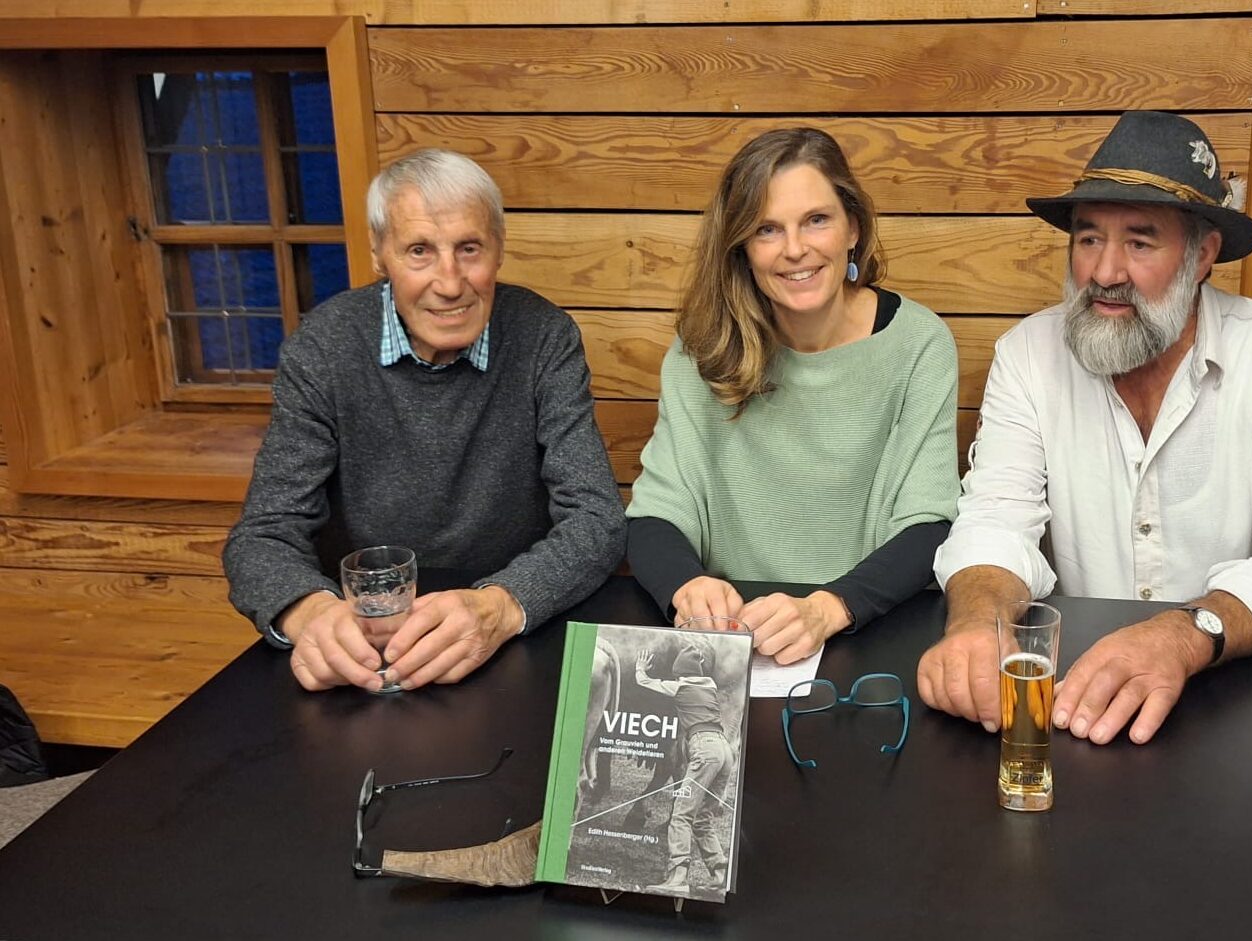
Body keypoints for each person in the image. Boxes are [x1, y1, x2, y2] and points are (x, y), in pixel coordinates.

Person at [915, 111, 1252, 928]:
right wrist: (976, 619)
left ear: (1203, 253)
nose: (1104, 271)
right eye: (1087, 238)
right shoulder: (1028, 353)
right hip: (1085, 675)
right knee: (1000, 877)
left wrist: (1186, 631)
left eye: (1141, 241)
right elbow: (994, 520)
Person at [224, 149, 625, 693]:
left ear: (499, 250)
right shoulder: (322, 347)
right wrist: (311, 613)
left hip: (506, 639)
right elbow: (262, 535)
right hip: (368, 650)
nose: (450, 281)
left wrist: (500, 607)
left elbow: (597, 520)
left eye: (469, 248)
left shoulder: (543, 337)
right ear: (379, 253)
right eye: (419, 251)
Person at [625, 128, 961, 664]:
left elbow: (929, 524)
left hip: (870, 628)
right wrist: (686, 586)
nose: (795, 249)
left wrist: (827, 610)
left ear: (853, 226)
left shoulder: (918, 343)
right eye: (766, 229)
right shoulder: (701, 349)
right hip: (735, 636)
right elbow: (656, 514)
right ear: (742, 249)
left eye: (816, 220)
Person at [632, 642, 733, 893]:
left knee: (681, 815)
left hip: (704, 749)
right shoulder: (710, 685)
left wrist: (640, 668)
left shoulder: (679, 686)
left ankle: (677, 878)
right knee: (703, 817)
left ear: (680, 673)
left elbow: (644, 682)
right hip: (724, 750)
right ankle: (720, 875)